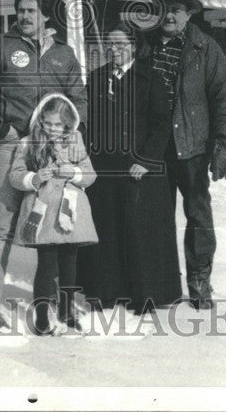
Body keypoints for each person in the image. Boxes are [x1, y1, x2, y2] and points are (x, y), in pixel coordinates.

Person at [0, 0, 88, 331]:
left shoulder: (64, 53)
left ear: (46, 14)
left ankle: (57, 305)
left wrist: (69, 135)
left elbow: (80, 98)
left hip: (55, 149)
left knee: (59, 226)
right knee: (2, 224)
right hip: (14, 146)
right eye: (21, 10)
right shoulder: (1, 47)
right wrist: (1, 128)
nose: (24, 16)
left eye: (32, 10)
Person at [137, 0, 226, 309]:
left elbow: (223, 98)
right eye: (166, 8)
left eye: (177, 10)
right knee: (156, 217)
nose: (170, 16)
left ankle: (198, 279)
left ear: (188, 13)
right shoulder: (144, 44)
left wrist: (223, 144)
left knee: (198, 215)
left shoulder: (205, 48)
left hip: (192, 147)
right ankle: (160, 282)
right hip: (154, 148)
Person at [77, 23, 181, 314]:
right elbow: (87, 121)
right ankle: (105, 292)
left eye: (121, 44)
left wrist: (146, 161)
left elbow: (161, 125)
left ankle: (145, 294)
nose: (114, 49)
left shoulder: (151, 79)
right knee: (106, 228)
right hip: (104, 167)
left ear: (134, 46)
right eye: (110, 44)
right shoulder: (96, 79)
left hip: (139, 167)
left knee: (138, 231)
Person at [9, 93, 97, 335]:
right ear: (40, 121)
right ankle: (40, 316)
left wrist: (74, 173)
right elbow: (15, 175)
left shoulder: (75, 142)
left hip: (70, 213)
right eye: (48, 123)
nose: (52, 129)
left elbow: (90, 175)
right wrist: (34, 178)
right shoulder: (29, 143)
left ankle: (67, 312)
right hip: (44, 212)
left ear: (67, 124)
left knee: (69, 265)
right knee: (46, 266)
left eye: (58, 124)